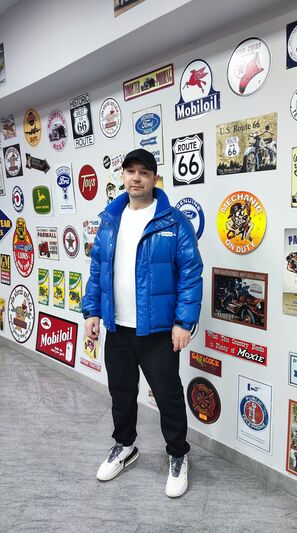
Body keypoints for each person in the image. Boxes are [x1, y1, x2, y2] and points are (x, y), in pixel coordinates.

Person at [82, 148, 203, 498]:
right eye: (130, 171)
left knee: (168, 396)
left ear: (154, 179)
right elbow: (97, 269)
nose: (136, 178)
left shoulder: (174, 222)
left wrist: (184, 322)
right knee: (121, 393)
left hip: (159, 331)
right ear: (122, 176)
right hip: (117, 327)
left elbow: (191, 274)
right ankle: (125, 446)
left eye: (144, 172)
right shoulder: (109, 219)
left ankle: (178, 454)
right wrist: (92, 311)